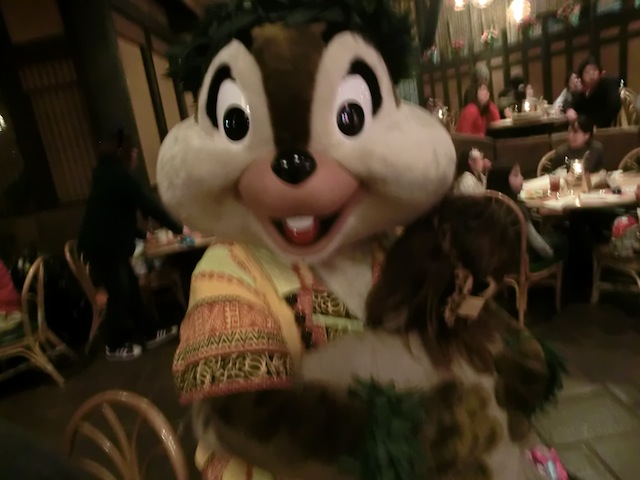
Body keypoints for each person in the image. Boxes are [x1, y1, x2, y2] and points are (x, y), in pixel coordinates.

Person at [77, 129, 189, 361]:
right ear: (123, 151)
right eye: (132, 148)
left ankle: (150, 333)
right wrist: (179, 229)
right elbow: (147, 204)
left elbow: (113, 215)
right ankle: (113, 345)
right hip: (103, 246)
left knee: (131, 290)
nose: (136, 152)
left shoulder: (106, 174)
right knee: (120, 294)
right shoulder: (118, 175)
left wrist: (141, 234)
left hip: (103, 242)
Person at [487, 163, 568, 264]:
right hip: (523, 260)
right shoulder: (516, 208)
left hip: (498, 261)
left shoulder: (489, 205)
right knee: (564, 240)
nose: (522, 177)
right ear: (503, 180)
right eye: (516, 175)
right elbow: (538, 244)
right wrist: (550, 255)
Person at [565, 56, 621, 128]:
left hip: (606, 128)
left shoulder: (608, 83)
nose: (591, 75)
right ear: (581, 77)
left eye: (594, 70)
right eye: (587, 72)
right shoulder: (583, 91)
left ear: (600, 73)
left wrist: (596, 124)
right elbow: (569, 102)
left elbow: (614, 105)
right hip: (586, 128)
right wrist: (569, 109)